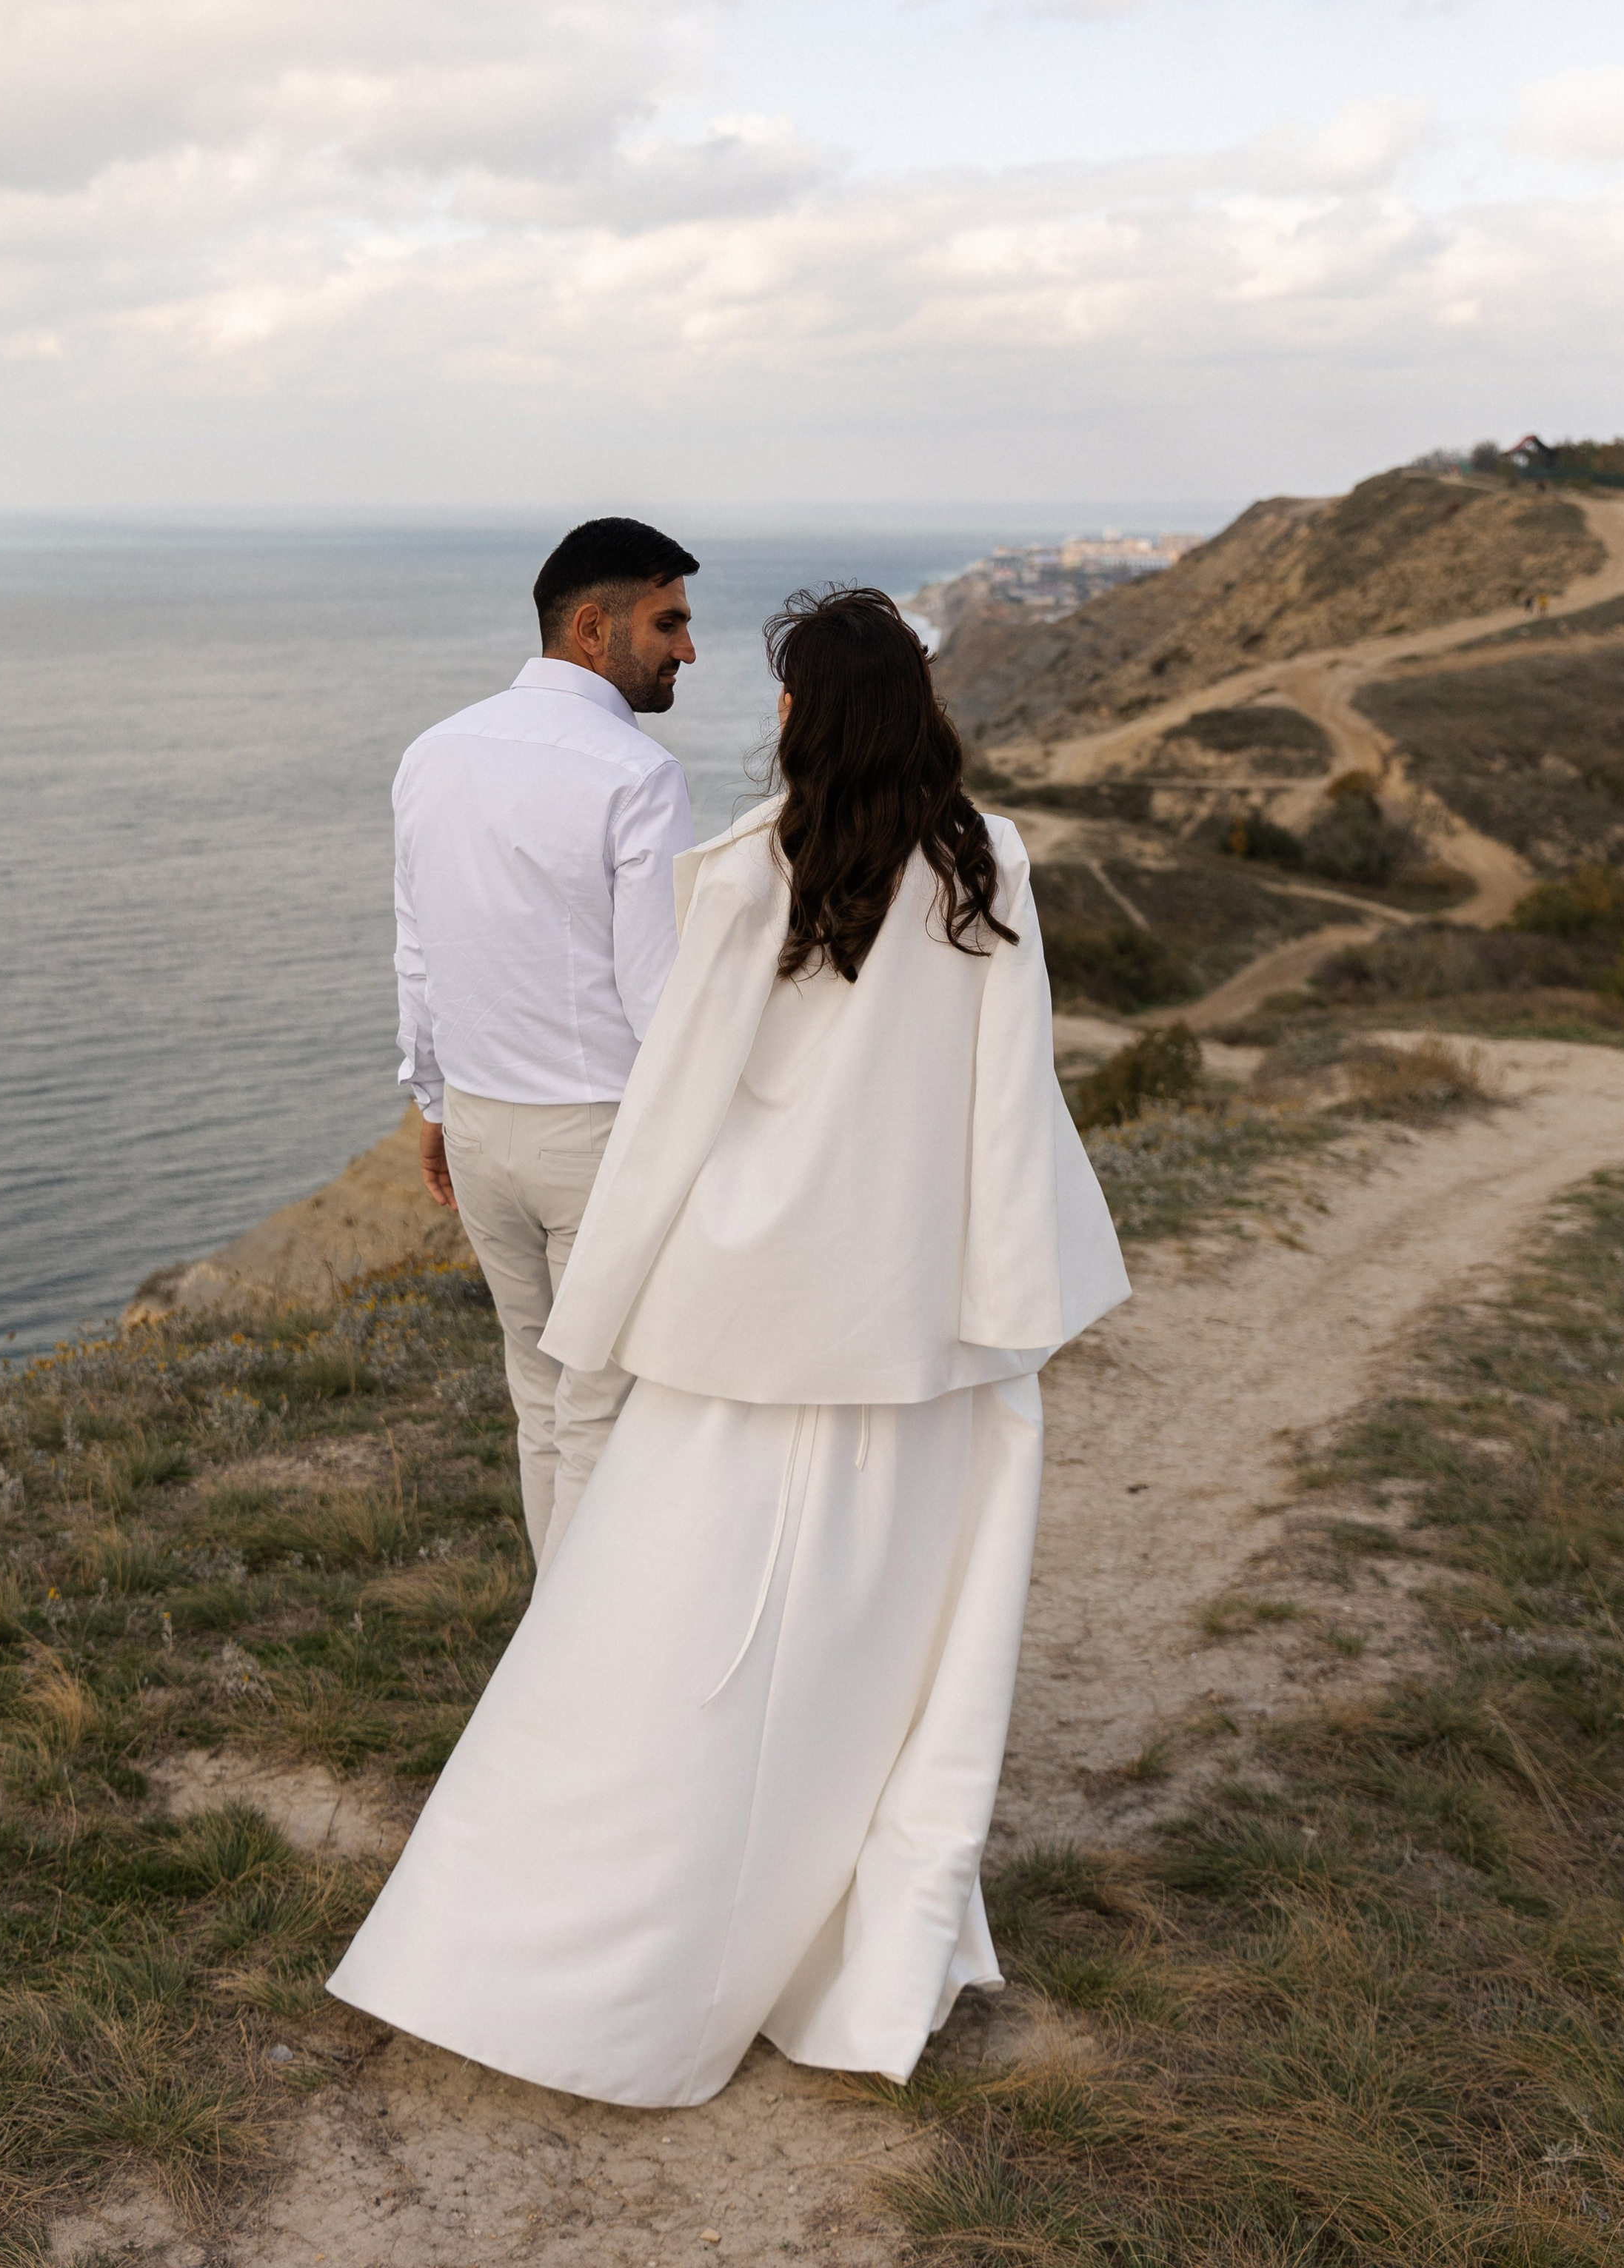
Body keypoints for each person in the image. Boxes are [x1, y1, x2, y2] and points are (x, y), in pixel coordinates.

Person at [331, 586, 1128, 2107]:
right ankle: (861, 1949)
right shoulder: (985, 861)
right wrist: (1016, 1292)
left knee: (679, 1626)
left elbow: (680, 1097)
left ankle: (606, 1933)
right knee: (891, 1654)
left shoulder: (748, 870)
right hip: (921, 1325)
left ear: (794, 715)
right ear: (916, 709)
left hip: (748, 1316)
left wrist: (615, 1287)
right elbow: (1009, 1098)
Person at [392, 515, 699, 1567]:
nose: (688, 650)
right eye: (670, 623)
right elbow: (659, 996)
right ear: (588, 627)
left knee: (539, 1399)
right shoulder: (638, 775)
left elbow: (417, 953)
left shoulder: (432, 754)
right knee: (604, 1412)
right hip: (599, 1142)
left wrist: (432, 1107)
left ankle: (551, 1661)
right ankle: (577, 1687)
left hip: (480, 1133)